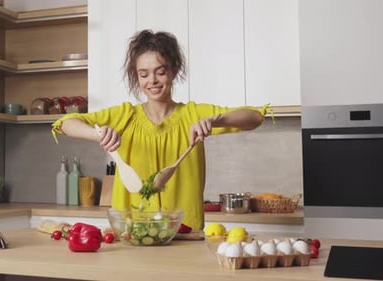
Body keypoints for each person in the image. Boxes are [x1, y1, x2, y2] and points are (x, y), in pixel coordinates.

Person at [52, 29, 269, 230]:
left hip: (184, 232)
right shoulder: (124, 115)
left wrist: (215, 120)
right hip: (132, 231)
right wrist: (97, 134)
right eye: (143, 74)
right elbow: (66, 123)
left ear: (173, 71)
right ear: (136, 77)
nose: (152, 81)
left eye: (160, 72)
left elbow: (255, 117)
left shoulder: (194, 114)